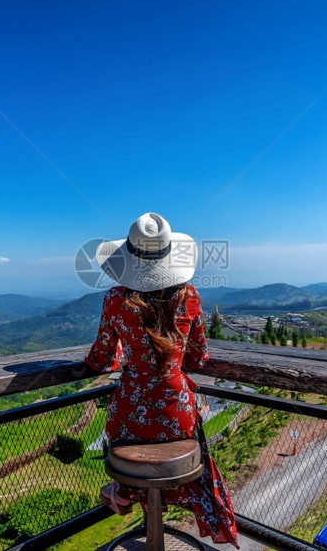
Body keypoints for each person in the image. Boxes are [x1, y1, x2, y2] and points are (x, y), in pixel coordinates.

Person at [84, 212, 239, 548]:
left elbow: (102, 358)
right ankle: (147, 501)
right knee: (176, 457)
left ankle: (124, 492)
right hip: (177, 411)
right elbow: (199, 357)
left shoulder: (116, 300)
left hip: (130, 411)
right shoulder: (190, 297)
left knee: (128, 452)